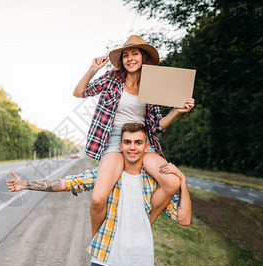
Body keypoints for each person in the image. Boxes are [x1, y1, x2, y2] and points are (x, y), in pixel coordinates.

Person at [7, 123, 192, 266]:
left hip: (138, 262)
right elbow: (66, 183)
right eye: (127, 142)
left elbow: (184, 219)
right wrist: (25, 184)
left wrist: (182, 181)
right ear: (120, 146)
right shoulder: (106, 176)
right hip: (105, 258)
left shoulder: (154, 183)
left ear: (146, 146)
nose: (132, 147)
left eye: (138, 142)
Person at [72, 35, 195, 237]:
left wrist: (176, 111)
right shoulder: (111, 78)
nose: (130, 59)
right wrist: (93, 69)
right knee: (98, 199)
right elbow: (79, 93)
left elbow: (155, 126)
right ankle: (97, 239)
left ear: (143, 57)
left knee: (172, 182)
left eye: (135, 54)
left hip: (142, 141)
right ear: (122, 60)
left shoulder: (153, 85)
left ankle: (144, 227)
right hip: (114, 139)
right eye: (126, 55)